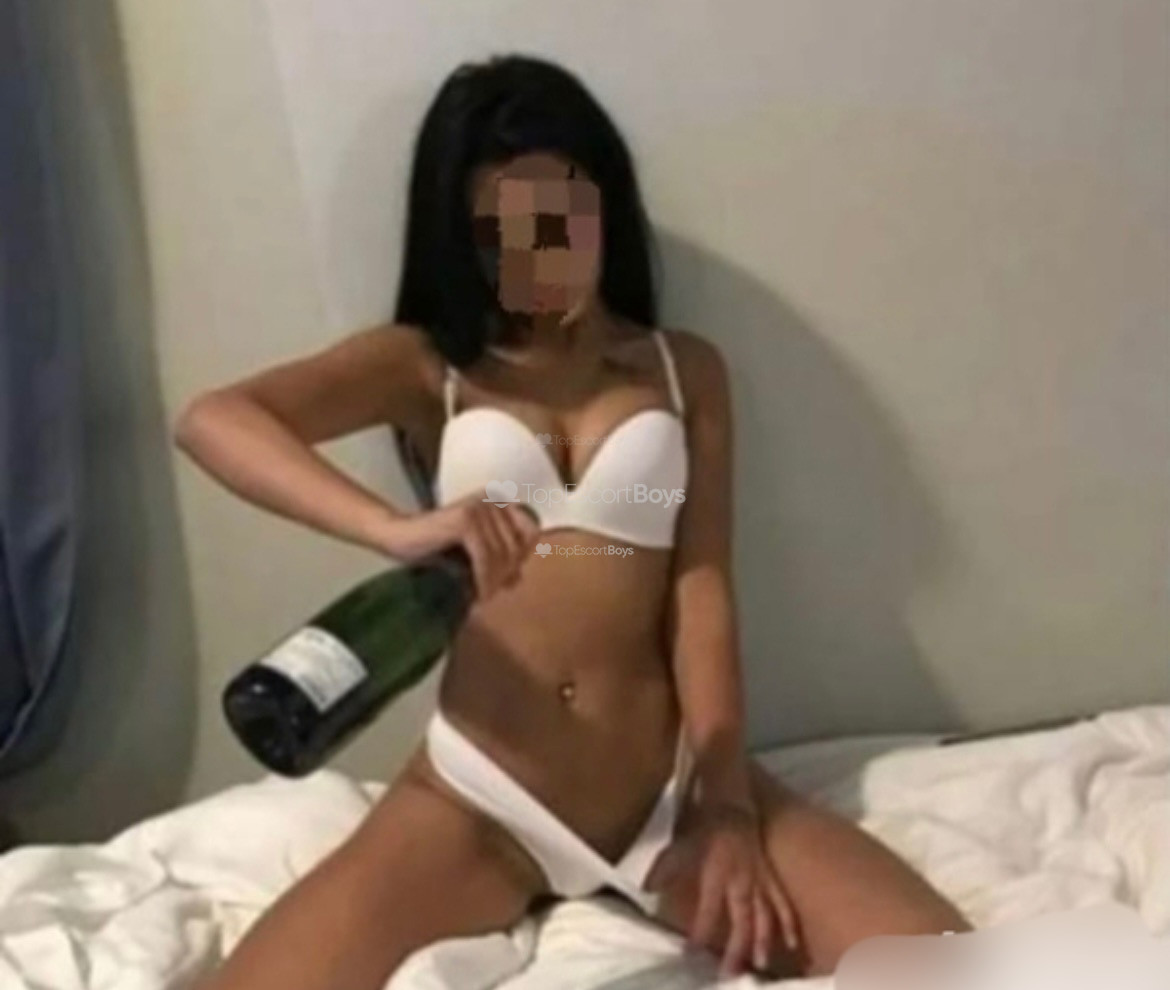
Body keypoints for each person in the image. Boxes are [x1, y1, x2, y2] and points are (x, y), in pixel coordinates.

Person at [176, 52, 971, 988]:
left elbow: (699, 589)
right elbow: (213, 421)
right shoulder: (429, 367)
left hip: (664, 794)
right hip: (481, 798)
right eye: (498, 235)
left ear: (603, 207)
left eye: (557, 223)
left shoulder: (682, 370)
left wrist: (724, 807)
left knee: (953, 967)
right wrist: (392, 528)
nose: (536, 258)